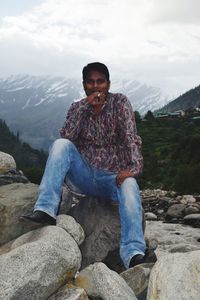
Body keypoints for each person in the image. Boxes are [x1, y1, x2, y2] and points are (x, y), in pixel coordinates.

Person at [20, 62, 157, 269]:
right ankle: (46, 209)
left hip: (112, 178)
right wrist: (86, 106)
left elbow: (132, 138)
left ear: (108, 84)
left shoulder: (120, 103)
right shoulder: (77, 108)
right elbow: (66, 136)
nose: (96, 87)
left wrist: (134, 169)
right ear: (84, 85)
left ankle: (133, 253)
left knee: (130, 185)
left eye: (100, 81)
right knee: (61, 145)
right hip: (83, 176)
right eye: (90, 82)